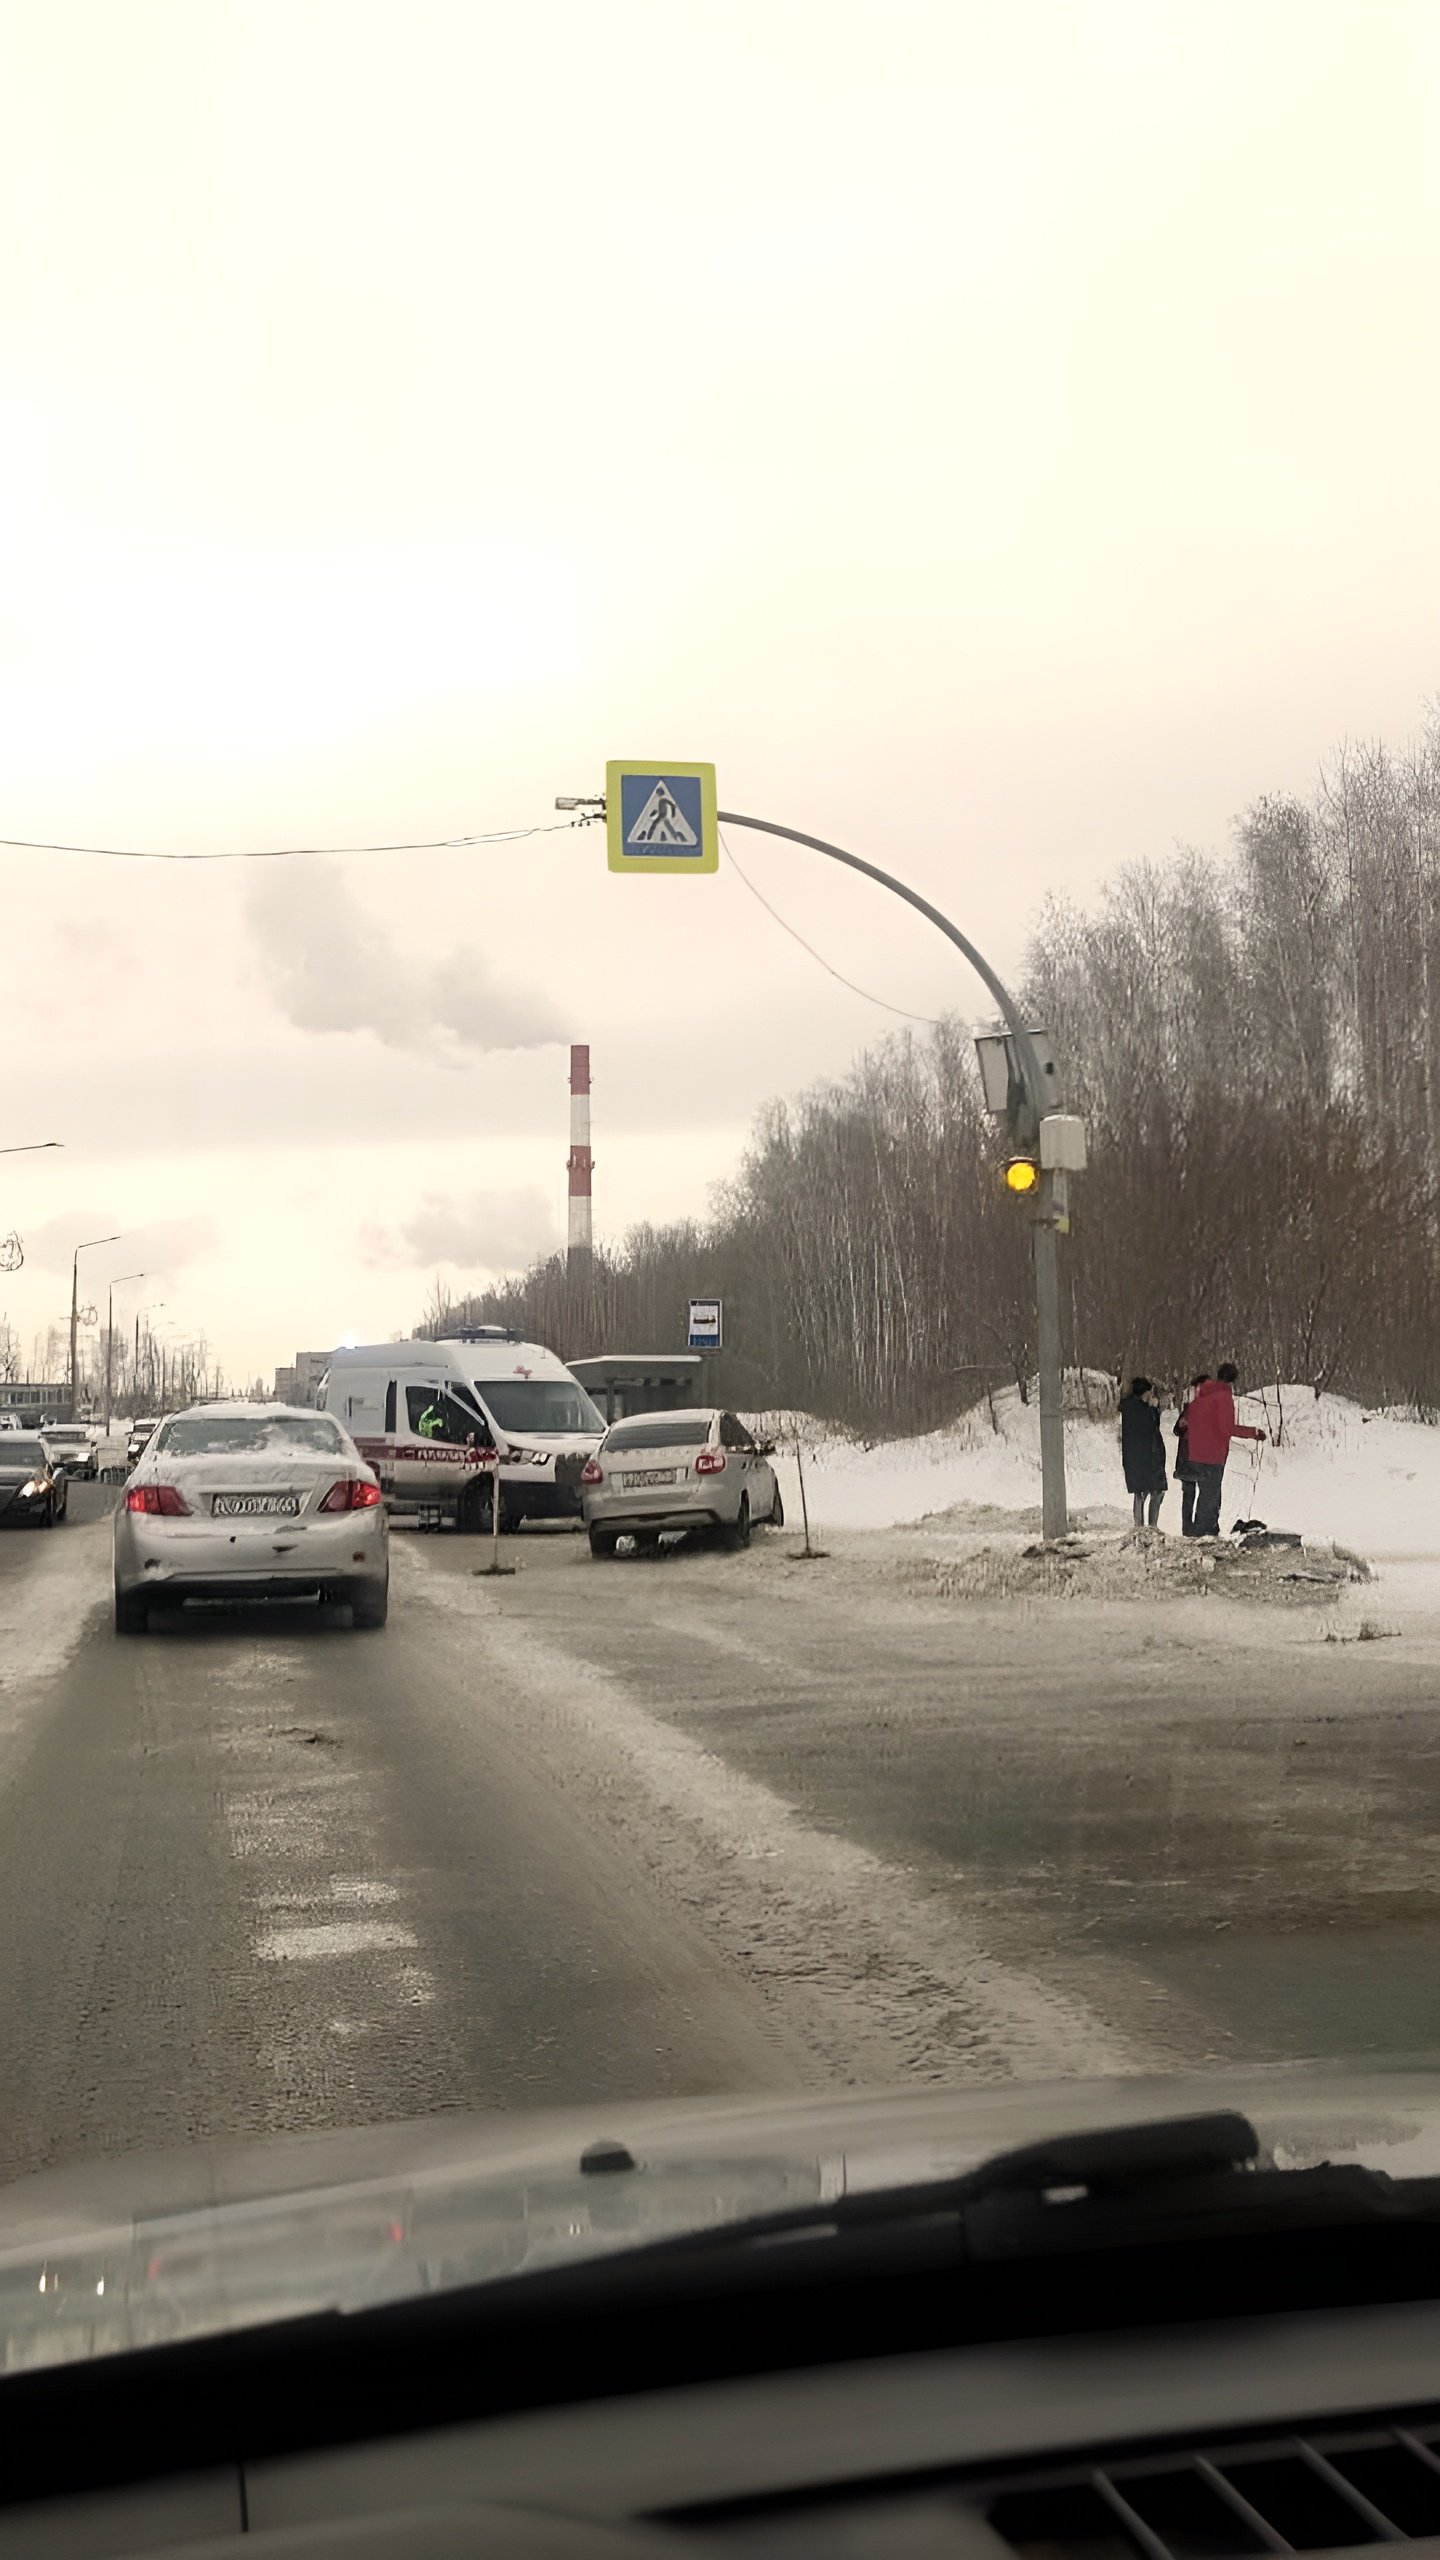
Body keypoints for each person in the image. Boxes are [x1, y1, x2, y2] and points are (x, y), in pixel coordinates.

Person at [1183, 1362, 1267, 1537]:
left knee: (1204, 1496)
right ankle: (1206, 1534)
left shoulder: (1202, 1395)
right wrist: (1253, 1433)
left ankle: (1201, 1531)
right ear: (1232, 1381)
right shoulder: (1223, 1396)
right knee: (1210, 1497)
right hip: (1212, 1455)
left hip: (1195, 1453)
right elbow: (1226, 1428)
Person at [1118, 1375, 1167, 1528]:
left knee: (1139, 1493)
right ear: (1145, 1393)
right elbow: (1152, 1427)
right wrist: (1154, 1409)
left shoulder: (1128, 1409)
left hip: (1133, 1459)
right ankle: (1152, 1526)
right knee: (1156, 1492)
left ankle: (1138, 1526)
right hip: (1149, 1460)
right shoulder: (1145, 1412)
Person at [1173, 1371, 1209, 1538]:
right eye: (1198, 1389)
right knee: (1188, 1497)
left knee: (1204, 1497)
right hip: (1186, 1459)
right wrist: (1182, 1425)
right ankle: (1187, 1530)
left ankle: (1200, 1529)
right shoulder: (1189, 1409)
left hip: (1202, 1460)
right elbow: (1176, 1430)